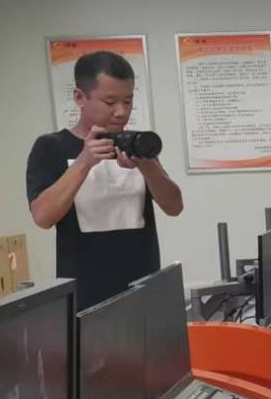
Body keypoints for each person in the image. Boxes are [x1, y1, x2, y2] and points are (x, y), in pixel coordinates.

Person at [26, 51, 183, 309]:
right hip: (85, 297)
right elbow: (42, 217)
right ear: (80, 98)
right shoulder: (51, 147)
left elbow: (174, 207)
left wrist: (148, 166)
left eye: (128, 101)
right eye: (110, 102)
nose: (121, 112)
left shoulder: (136, 144)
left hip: (143, 292)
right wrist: (83, 162)